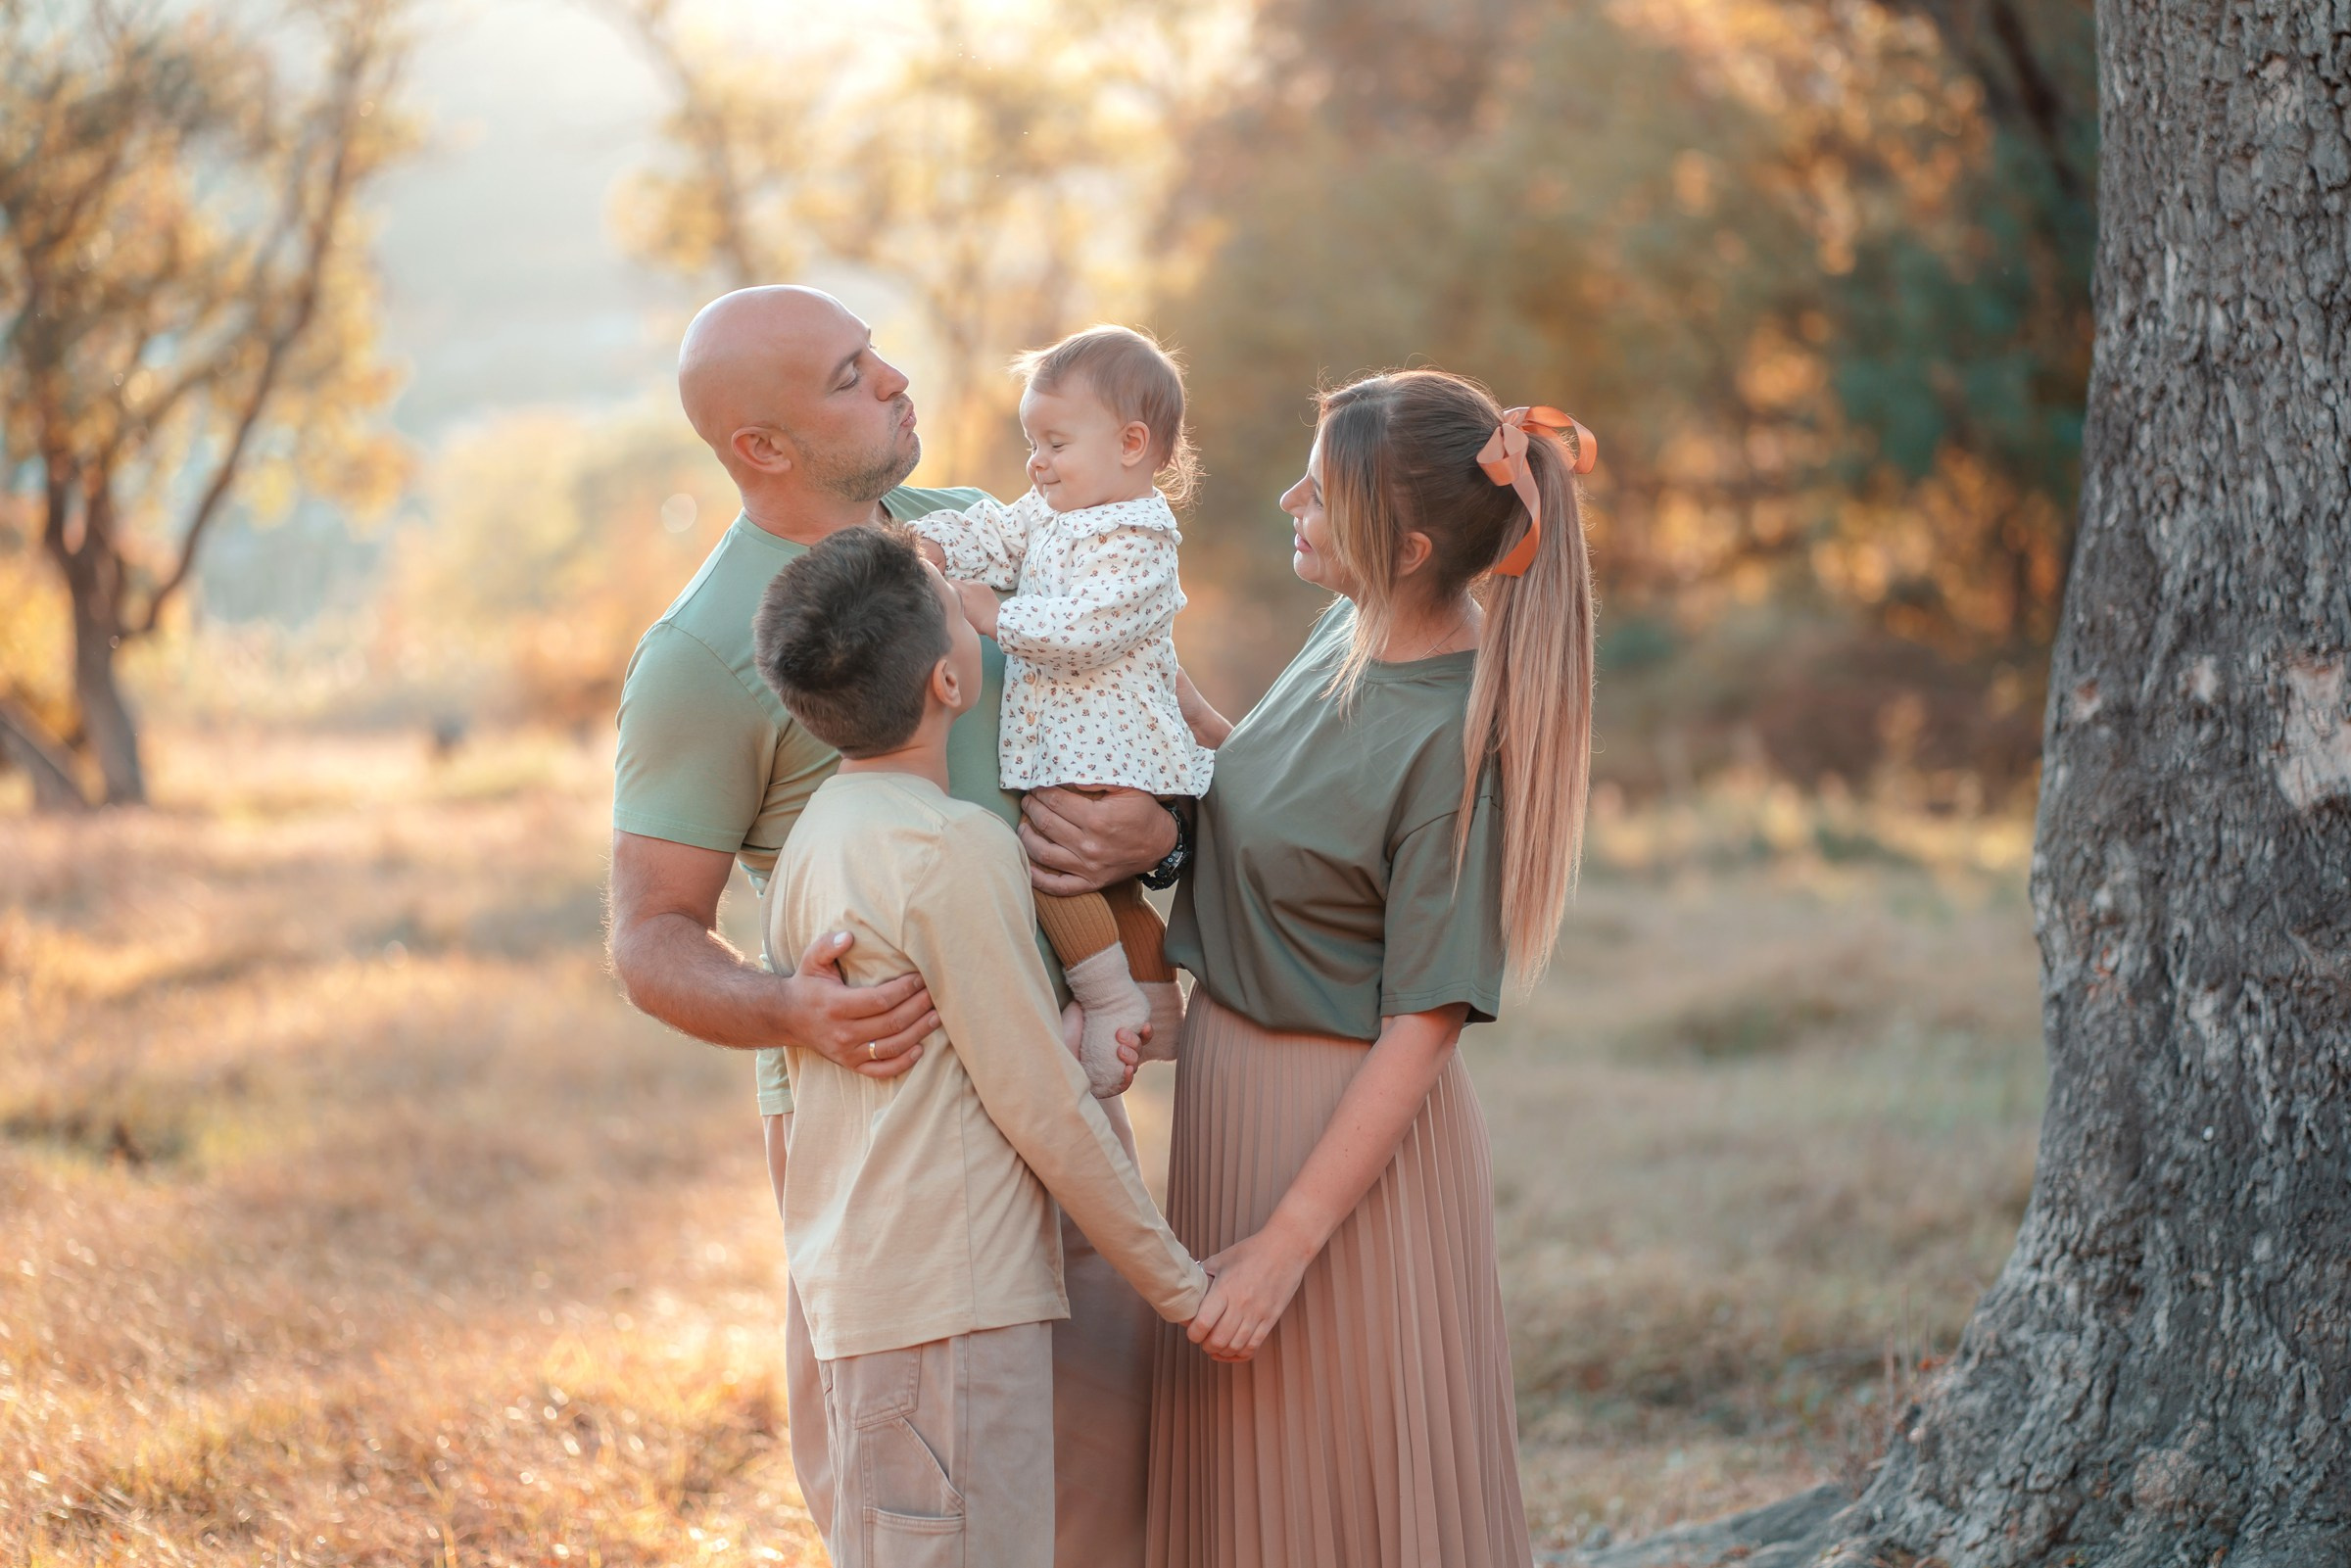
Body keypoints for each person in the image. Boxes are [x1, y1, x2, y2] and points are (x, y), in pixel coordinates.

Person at [603, 285, 1188, 1565]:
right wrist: (790, 1007)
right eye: (850, 375)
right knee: (926, 1509)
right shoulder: (702, 653)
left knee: (1112, 1490)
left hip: (1066, 1076)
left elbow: (1157, 721)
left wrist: (1163, 834)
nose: (896, 380)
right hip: (895, 1133)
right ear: (762, 445)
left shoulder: (983, 540)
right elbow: (651, 933)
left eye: (875, 357)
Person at [1146, 370, 1600, 1568]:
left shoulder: (1458, 735)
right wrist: (1147, 689)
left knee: (1338, 1494)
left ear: (1402, 546)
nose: (1290, 496)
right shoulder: (1346, 627)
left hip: (1340, 1151)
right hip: (1230, 1097)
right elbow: (1282, 795)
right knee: (1244, 1492)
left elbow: (1427, 1019)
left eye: (1322, 489)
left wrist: (1287, 1242)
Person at [751, 521, 1208, 1567]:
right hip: (957, 1312)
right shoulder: (956, 848)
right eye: (965, 613)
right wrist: (1181, 1283)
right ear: (953, 681)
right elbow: (1041, 1100)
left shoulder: (812, 841)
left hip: (867, 1293)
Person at [909, 324, 1213, 1094]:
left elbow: (1086, 629)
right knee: (1107, 884)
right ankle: (1154, 999)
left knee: (1053, 871)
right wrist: (936, 544)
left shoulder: (1141, 538)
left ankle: (1110, 999)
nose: (1035, 463)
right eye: (1031, 443)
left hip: (1109, 744)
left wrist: (994, 617)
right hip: (1071, 743)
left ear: (1132, 444)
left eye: (1054, 443)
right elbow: (997, 532)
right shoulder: (1051, 511)